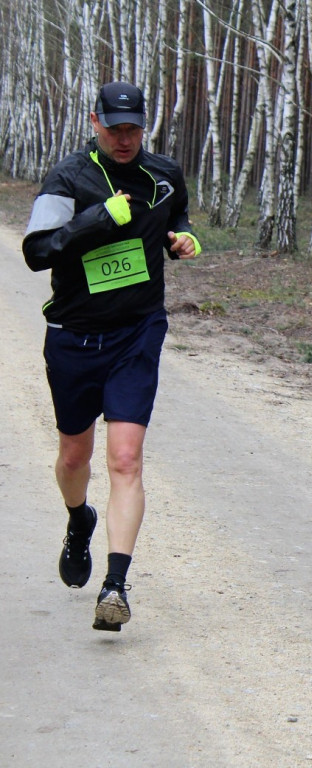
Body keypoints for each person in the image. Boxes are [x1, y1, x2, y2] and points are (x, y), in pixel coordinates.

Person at [22, 81, 200, 632]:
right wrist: (96, 219)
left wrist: (183, 238)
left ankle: (116, 585)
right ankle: (80, 519)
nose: (124, 139)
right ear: (93, 122)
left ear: (144, 126)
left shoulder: (164, 173)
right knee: (75, 458)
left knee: (125, 458)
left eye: (133, 128)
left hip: (137, 330)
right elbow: (35, 252)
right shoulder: (67, 178)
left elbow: (180, 218)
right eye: (114, 127)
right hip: (73, 333)